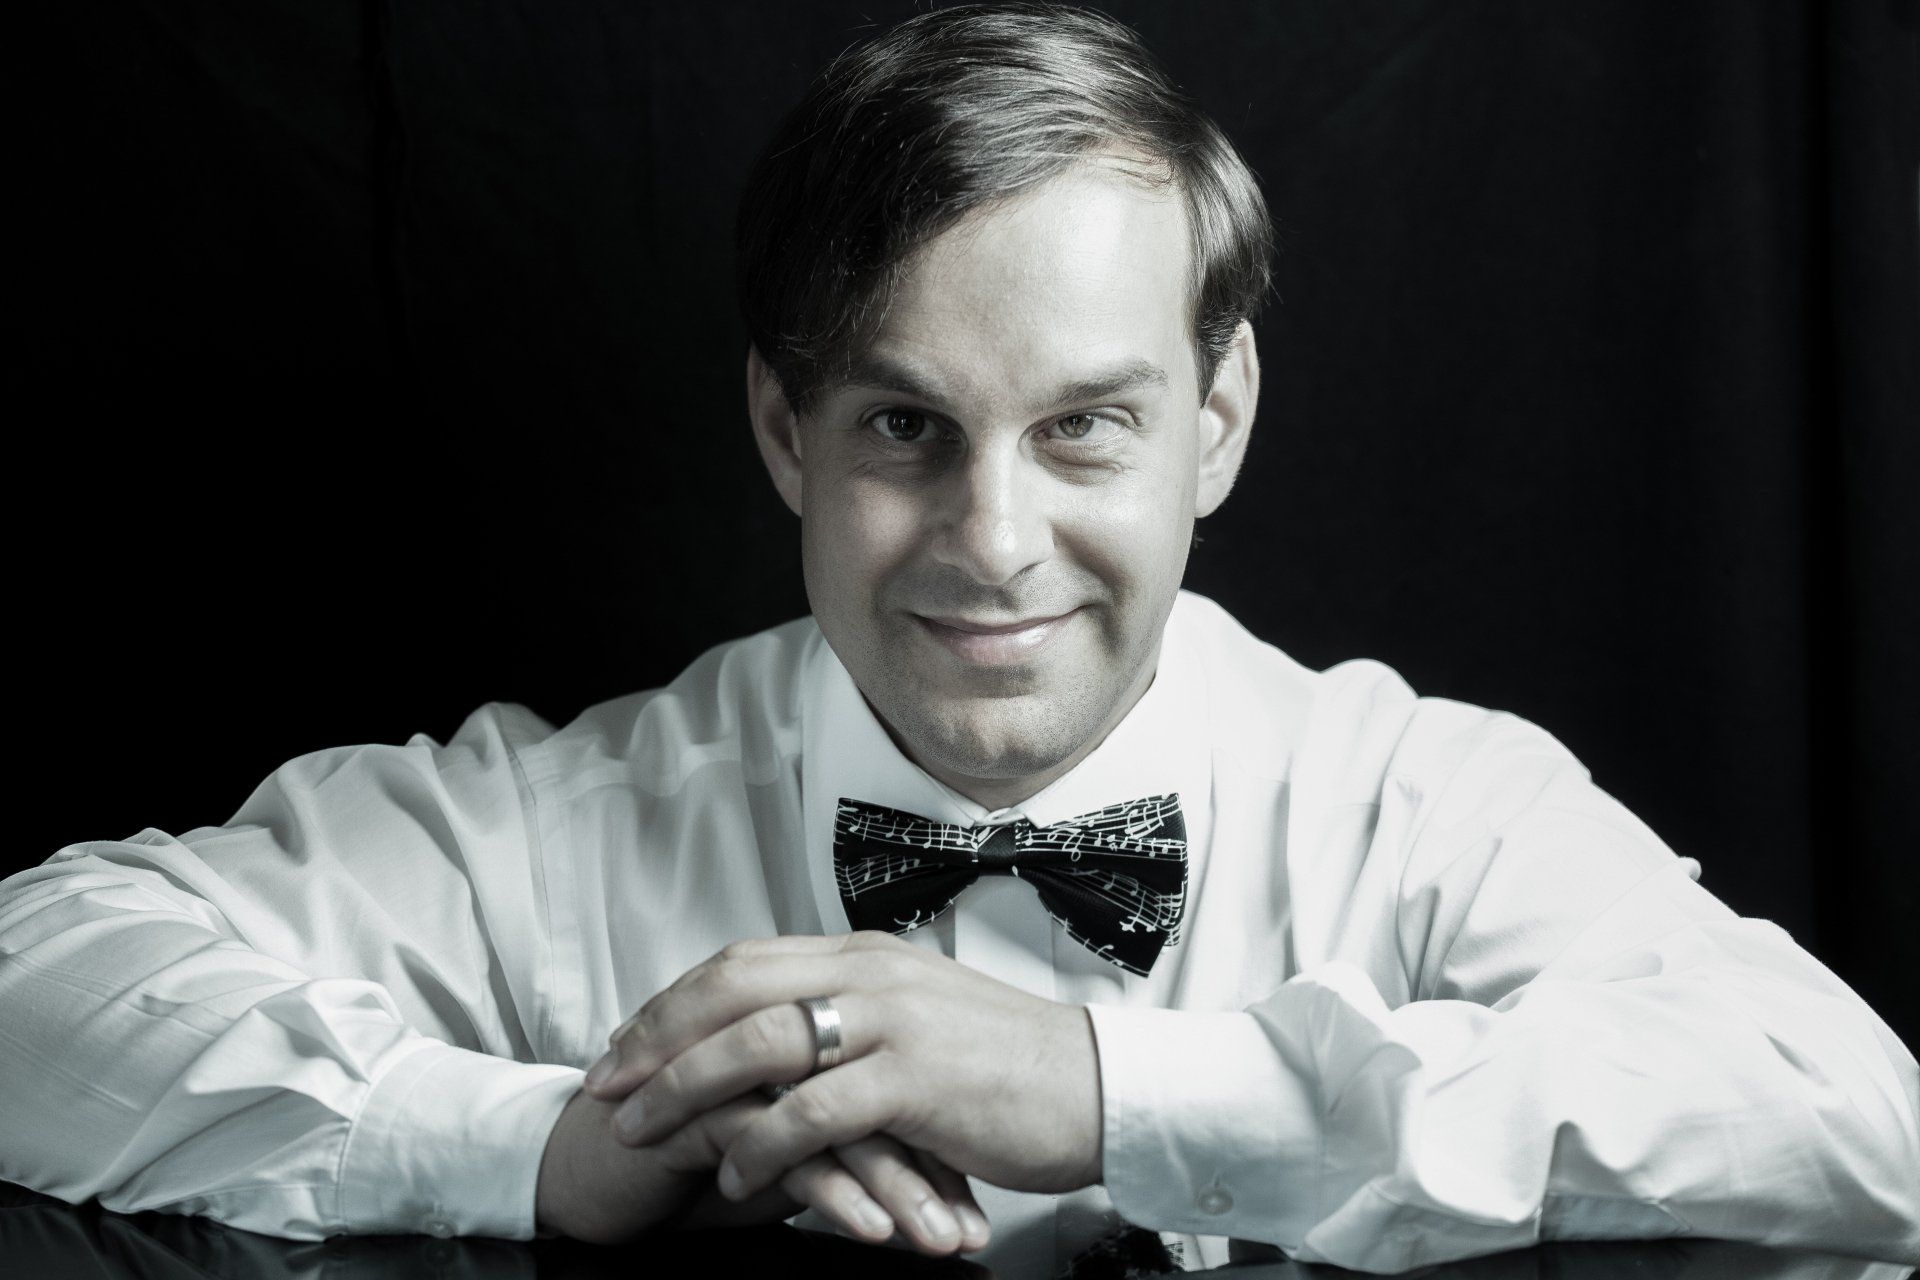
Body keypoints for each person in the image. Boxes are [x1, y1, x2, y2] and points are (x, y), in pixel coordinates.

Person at [2, 4, 1915, 1275]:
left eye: (1084, 427)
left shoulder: (1424, 805)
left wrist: (1104, 1093)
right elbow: (32, 972)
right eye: (907, 426)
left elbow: (1855, 1121)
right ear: (785, 432)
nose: (995, 546)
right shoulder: (563, 818)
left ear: (1216, 420)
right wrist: (545, 1150)